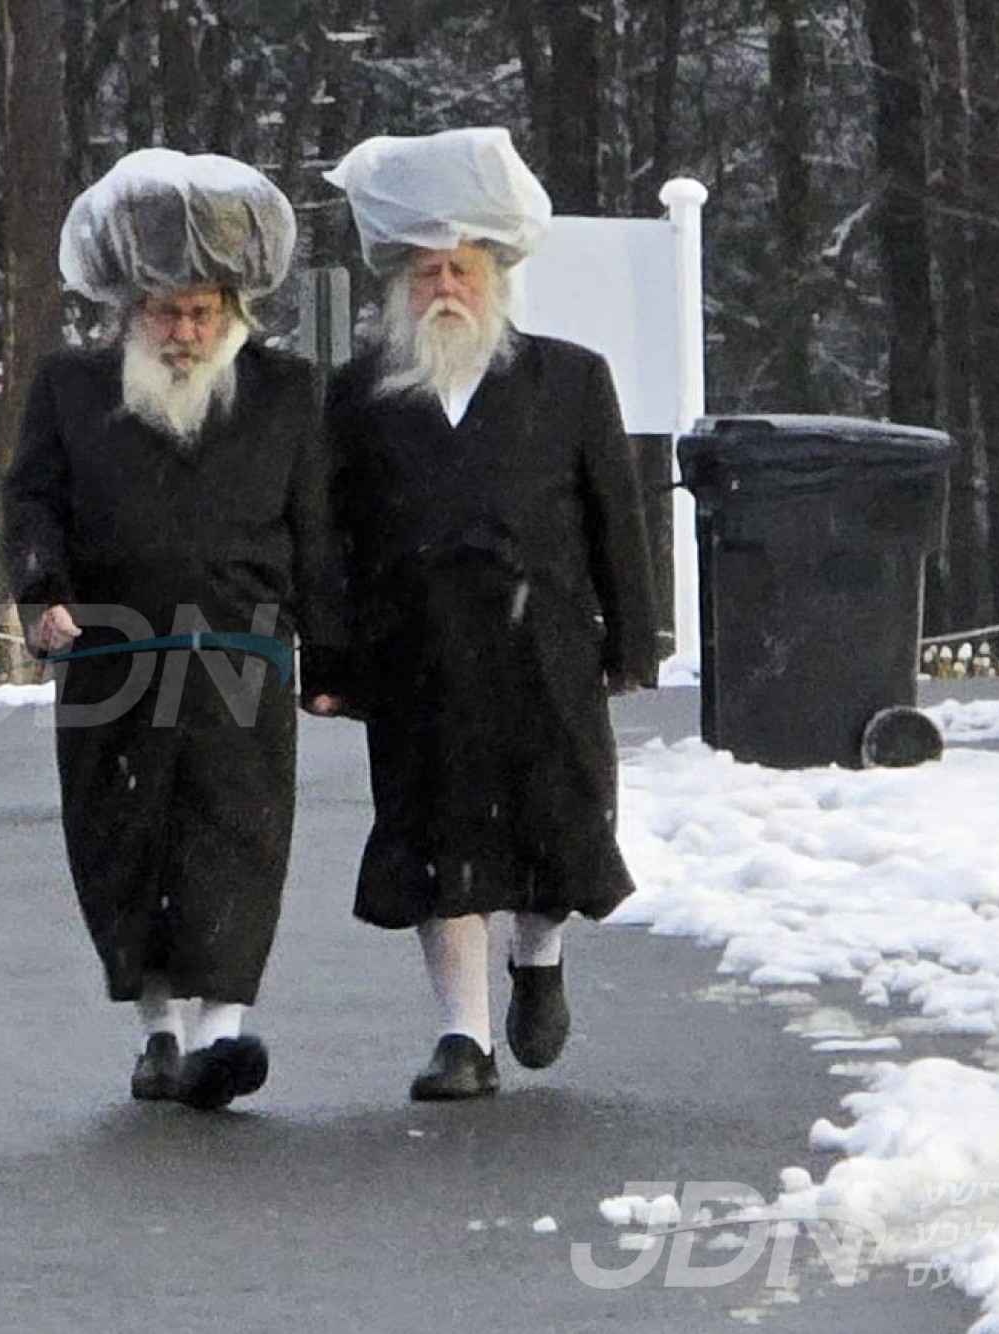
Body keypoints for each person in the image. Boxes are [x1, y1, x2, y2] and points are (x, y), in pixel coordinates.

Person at [317, 128, 658, 1100]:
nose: (443, 289)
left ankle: (538, 958)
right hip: (418, 661)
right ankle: (460, 1035)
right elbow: (330, 539)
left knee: (556, 832)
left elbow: (613, 520)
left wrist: (633, 638)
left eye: (460, 268)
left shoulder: (569, 379)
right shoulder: (358, 397)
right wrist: (328, 657)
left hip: (545, 648)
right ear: (399, 284)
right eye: (424, 272)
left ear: (494, 274)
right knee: (435, 844)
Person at [3, 149, 346, 1111]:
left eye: (202, 312)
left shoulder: (284, 393)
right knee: (126, 842)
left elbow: (315, 528)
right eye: (165, 312)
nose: (185, 331)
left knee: (238, 838)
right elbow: (32, 503)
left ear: (235, 309)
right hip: (111, 656)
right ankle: (157, 1027)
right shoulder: (72, 389)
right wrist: (42, 593)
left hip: (243, 656)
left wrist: (332, 655)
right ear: (128, 309)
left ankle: (223, 1034)